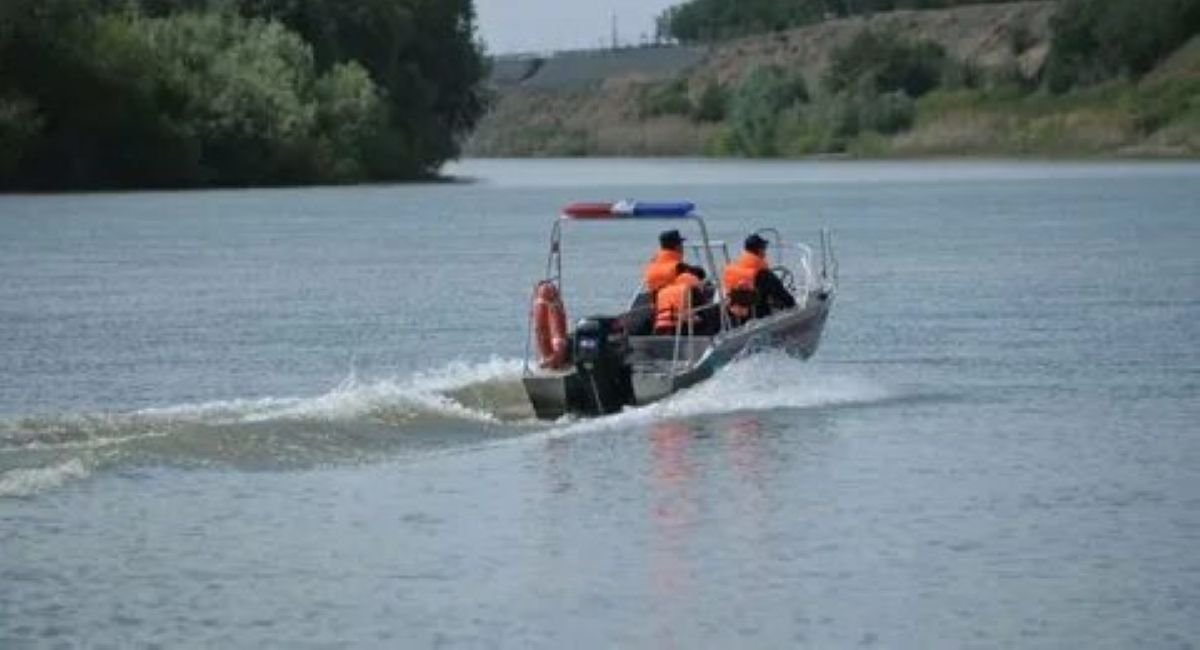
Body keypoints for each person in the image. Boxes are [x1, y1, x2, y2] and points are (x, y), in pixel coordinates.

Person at [723, 233, 796, 322]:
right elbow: (781, 293)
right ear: (760, 250)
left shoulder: (735, 268)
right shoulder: (764, 274)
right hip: (757, 316)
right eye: (764, 248)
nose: (765, 251)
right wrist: (794, 306)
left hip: (733, 315)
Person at [654, 263, 717, 335]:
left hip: (660, 328)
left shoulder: (663, 291)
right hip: (679, 329)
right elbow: (689, 316)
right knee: (710, 318)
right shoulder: (691, 290)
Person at [643, 229, 687, 293]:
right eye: (681, 244)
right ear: (677, 247)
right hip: (676, 300)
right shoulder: (679, 268)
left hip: (656, 300)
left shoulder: (651, 266)